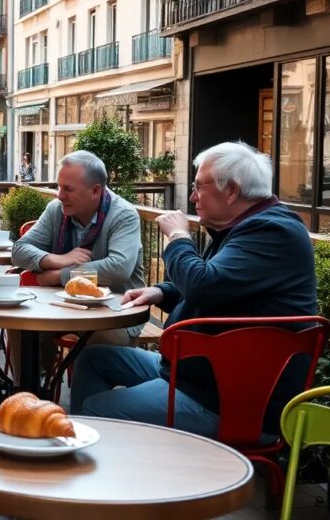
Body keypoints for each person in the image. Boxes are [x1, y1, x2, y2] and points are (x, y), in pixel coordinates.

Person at [71, 142, 317, 438]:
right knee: (94, 359)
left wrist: (178, 236)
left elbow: (203, 284)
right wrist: (162, 292)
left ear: (231, 190)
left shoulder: (272, 232)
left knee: (98, 409)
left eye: (199, 186)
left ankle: (93, 454)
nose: (192, 197)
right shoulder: (245, 227)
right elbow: (221, 286)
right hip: (201, 375)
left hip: (230, 401)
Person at [11, 150, 146, 346]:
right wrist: (58, 259)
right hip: (60, 304)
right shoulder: (56, 210)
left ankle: (81, 367)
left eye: (68, 189)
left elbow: (119, 267)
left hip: (113, 311)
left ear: (95, 191)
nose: (60, 195)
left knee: (99, 341)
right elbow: (19, 250)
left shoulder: (123, 215)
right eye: (59, 187)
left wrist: (60, 275)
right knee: (20, 324)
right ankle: (33, 369)